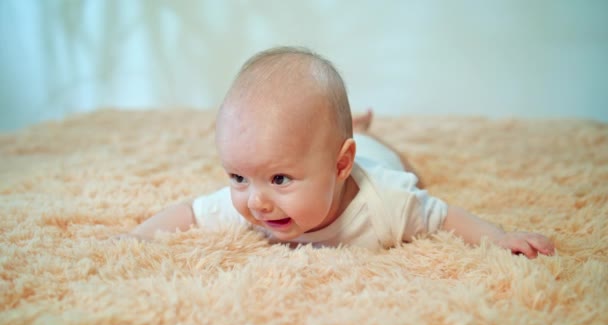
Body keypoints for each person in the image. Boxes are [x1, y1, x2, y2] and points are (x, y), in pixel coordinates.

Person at [119, 46, 555, 259]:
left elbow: (444, 216)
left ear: (341, 164)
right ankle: (352, 128)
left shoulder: (387, 202)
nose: (255, 201)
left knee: (410, 167)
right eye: (236, 177)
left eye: (280, 179)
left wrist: (498, 237)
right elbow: (189, 213)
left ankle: (366, 134)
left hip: (377, 157)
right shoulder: (251, 203)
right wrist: (137, 237)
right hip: (342, 148)